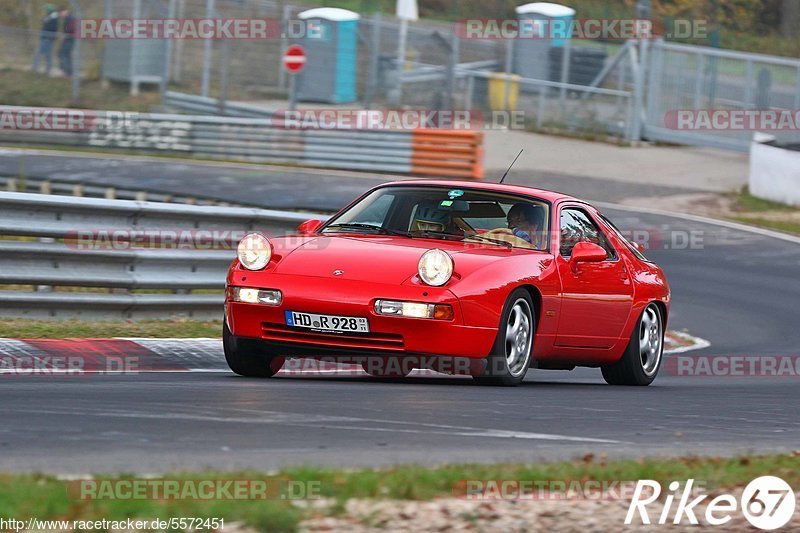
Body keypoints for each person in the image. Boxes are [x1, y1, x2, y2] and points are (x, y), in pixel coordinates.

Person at [31, 4, 60, 75]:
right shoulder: (50, 17)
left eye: (46, 10)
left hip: (47, 38)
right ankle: (47, 70)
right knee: (48, 55)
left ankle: (35, 68)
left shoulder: (53, 18)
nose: (45, 11)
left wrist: (45, 22)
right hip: (45, 38)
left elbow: (52, 29)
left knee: (39, 54)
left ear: (49, 10)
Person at [58, 8, 76, 76]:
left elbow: (71, 29)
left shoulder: (70, 18)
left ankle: (66, 71)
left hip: (69, 40)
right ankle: (69, 71)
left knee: (63, 54)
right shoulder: (68, 18)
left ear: (64, 11)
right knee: (66, 55)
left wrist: (65, 35)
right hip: (68, 39)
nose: (61, 15)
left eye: (61, 13)